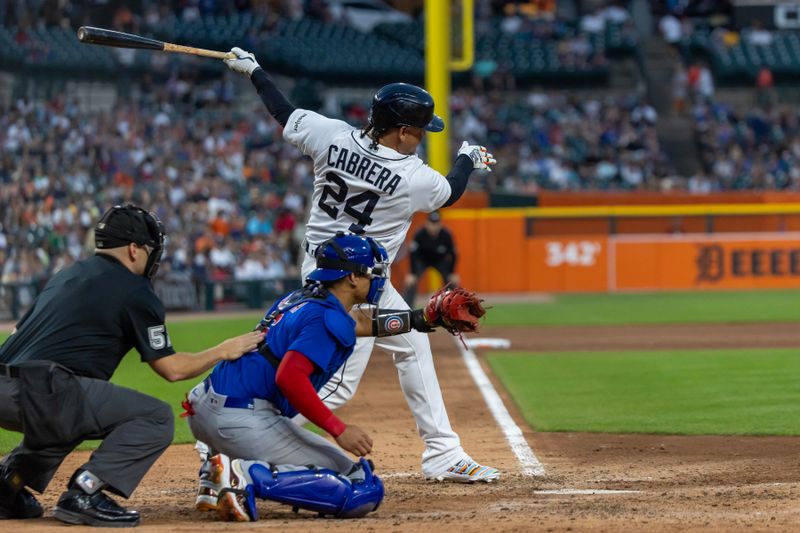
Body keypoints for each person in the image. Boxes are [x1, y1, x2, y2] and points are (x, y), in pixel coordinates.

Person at [221, 47, 499, 484]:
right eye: (421, 130)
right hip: (352, 285)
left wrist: (255, 71)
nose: (423, 137)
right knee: (337, 383)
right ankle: (239, 446)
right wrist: (468, 158)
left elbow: (283, 111)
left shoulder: (330, 134)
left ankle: (443, 451)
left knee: (413, 346)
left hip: (327, 267)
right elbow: (451, 190)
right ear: (404, 132)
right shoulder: (412, 176)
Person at [0, 204, 263, 527]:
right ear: (134, 249)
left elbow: (16, 333)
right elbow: (172, 369)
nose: (155, 256)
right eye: (152, 249)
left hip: (8, 387)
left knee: (71, 412)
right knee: (155, 417)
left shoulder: (66, 275)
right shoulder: (135, 289)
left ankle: (7, 485)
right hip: (44, 390)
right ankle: (86, 491)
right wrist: (223, 350)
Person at [184, 233, 456, 521]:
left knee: (344, 472)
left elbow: (358, 323)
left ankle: (215, 473)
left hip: (205, 405)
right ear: (352, 278)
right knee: (359, 484)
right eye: (372, 273)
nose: (378, 279)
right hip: (238, 418)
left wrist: (419, 319)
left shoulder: (303, 297)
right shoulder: (327, 318)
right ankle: (244, 476)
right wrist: (339, 429)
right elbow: (289, 378)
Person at [402, 211, 459, 307]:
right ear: (427, 223)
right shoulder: (419, 234)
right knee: (411, 282)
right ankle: (406, 308)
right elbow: (413, 254)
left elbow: (453, 254)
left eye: (436, 224)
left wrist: (452, 272)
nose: (434, 226)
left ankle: (452, 307)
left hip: (440, 261)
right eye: (431, 223)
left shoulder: (446, 235)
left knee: (451, 282)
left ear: (440, 224)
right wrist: (412, 273)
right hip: (422, 261)